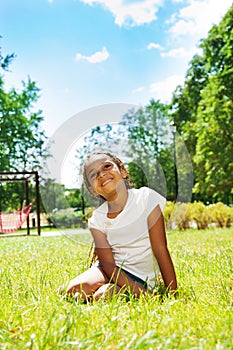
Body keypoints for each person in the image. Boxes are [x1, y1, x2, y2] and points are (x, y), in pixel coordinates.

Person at [66, 151, 177, 301]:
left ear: (123, 172)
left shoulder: (146, 199)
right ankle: (104, 288)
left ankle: (109, 290)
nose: (101, 174)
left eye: (107, 166)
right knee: (74, 290)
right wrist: (147, 298)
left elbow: (160, 249)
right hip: (108, 269)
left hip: (140, 277)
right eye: (94, 174)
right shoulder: (97, 219)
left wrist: (173, 294)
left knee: (104, 295)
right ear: (93, 190)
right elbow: (108, 264)